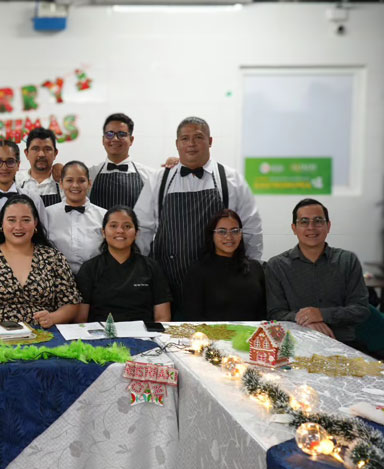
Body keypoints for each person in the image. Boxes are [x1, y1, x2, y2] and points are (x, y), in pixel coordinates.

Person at [134, 116, 263, 309]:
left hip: (221, 286)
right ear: (177, 144)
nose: (191, 144)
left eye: (198, 137)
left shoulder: (232, 179)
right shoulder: (159, 179)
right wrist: (142, 275)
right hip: (168, 284)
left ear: (210, 141)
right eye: (185, 138)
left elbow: (252, 229)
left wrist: (250, 272)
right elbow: (142, 230)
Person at [0, 195, 80, 331]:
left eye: (26, 220)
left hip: (44, 336)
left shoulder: (54, 258)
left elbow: (71, 303)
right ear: (2, 224)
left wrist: (53, 317)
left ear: (35, 223)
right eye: (11, 220)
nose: (18, 227)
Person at [265, 199, 369, 344]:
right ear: (294, 228)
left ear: (328, 226)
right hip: (294, 345)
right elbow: (275, 313)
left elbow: (361, 309)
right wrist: (306, 320)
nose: (311, 227)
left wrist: (322, 314)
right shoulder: (276, 265)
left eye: (318, 221)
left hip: (343, 344)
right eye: (304, 222)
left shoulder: (347, 260)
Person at [76, 206, 171, 323]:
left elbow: (163, 317)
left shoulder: (151, 267)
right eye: (113, 226)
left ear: (136, 233)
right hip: (101, 336)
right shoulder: (89, 268)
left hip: (144, 336)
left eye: (127, 226)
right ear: (103, 232)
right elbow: (80, 319)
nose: (120, 231)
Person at [180, 209, 266, 321]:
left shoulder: (255, 268)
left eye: (235, 231)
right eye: (222, 231)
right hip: (213, 336)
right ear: (212, 235)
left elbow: (264, 312)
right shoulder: (197, 271)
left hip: (252, 336)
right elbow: (193, 317)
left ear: (241, 234)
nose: (229, 237)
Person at [46, 161, 106, 274]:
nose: (75, 185)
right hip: (56, 281)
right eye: (69, 180)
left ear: (89, 183)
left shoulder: (103, 216)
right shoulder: (47, 214)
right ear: (61, 184)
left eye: (81, 180)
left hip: (96, 280)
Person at [89, 113, 155, 211]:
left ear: (131, 140)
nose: (115, 139)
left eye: (122, 134)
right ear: (103, 140)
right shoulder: (89, 174)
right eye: (109, 134)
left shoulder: (150, 176)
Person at [15, 127, 63, 207]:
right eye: (35, 149)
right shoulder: (16, 181)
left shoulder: (65, 182)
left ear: (55, 153)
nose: (41, 154)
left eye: (47, 149)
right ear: (26, 153)